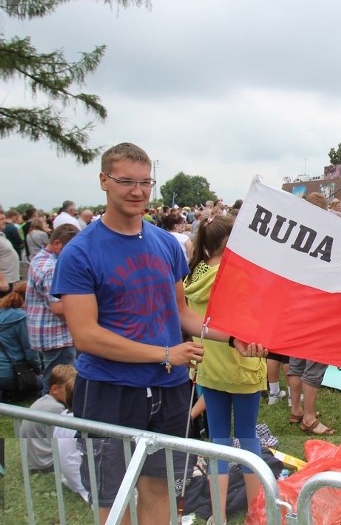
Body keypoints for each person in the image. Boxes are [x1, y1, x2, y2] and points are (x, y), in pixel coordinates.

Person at [52, 142, 266, 525]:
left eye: (145, 182)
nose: (137, 191)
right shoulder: (80, 252)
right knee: (112, 499)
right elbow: (85, 336)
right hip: (109, 391)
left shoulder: (166, 244)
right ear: (104, 181)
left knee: (161, 488)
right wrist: (166, 354)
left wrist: (230, 337)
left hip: (167, 391)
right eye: (126, 181)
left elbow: (181, 313)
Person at [184, 213, 267, 523]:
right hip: (242, 368)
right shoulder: (238, 276)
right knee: (247, 440)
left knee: (218, 442)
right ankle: (256, 512)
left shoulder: (192, 278)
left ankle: (217, 516)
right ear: (229, 242)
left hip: (209, 370)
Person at [25, 224, 79, 394]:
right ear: (57, 244)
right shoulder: (52, 268)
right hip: (57, 335)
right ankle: (51, 416)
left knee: (53, 380)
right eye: (71, 249)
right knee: (58, 385)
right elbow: (58, 307)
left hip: (48, 332)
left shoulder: (39, 258)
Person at [17, 364, 77, 470]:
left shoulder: (44, 401)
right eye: (69, 389)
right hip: (46, 463)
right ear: (54, 389)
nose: (73, 393)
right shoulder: (56, 409)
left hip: (33, 459)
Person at [0, 282, 43, 399]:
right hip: (12, 372)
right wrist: (38, 370)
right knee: (42, 383)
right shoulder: (21, 317)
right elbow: (30, 350)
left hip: (5, 369)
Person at [0, 208, 23, 298]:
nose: (4, 221)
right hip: (4, 282)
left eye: (4, 218)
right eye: (1, 219)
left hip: (10, 280)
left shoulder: (2, 234)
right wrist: (1, 280)